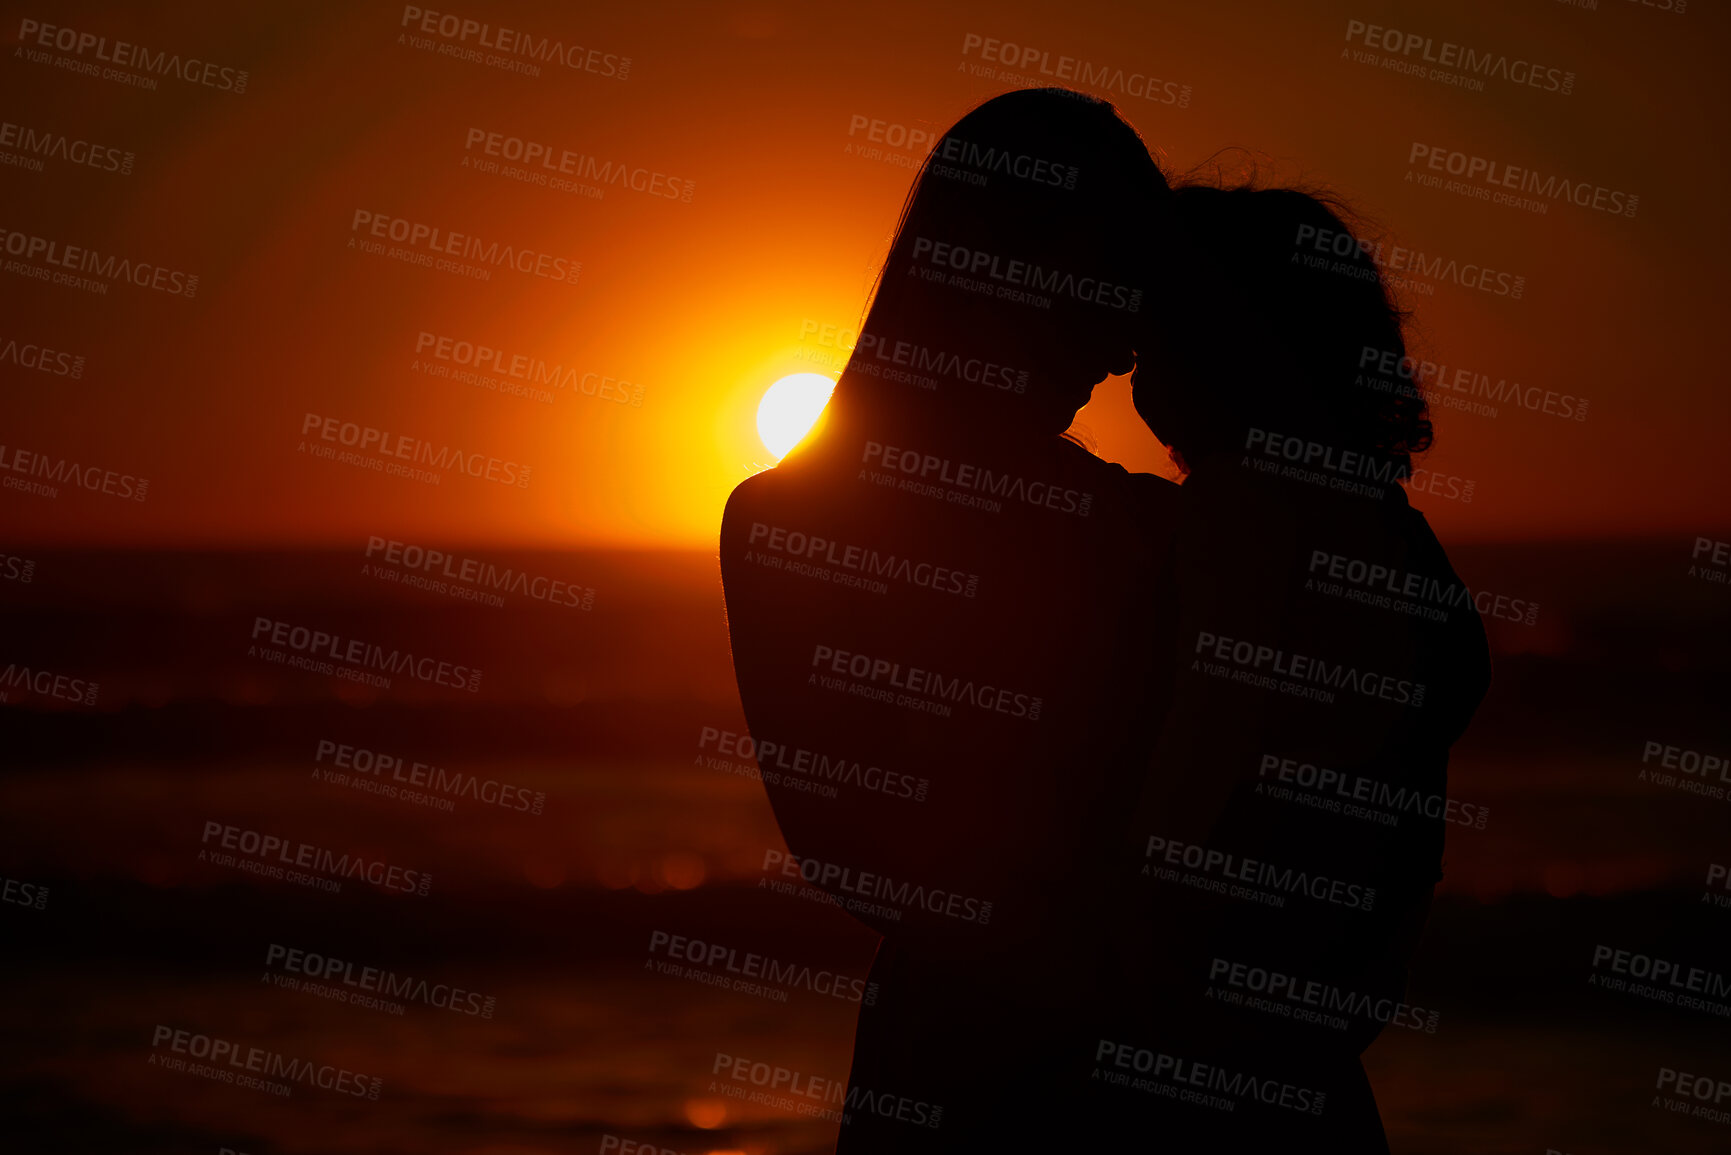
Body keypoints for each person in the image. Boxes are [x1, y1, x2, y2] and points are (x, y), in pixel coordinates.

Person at [719, 88, 1179, 1150]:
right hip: (998, 1060)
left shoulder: (1149, 525)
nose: (1119, 346)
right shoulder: (1137, 531)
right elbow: (855, 845)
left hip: (995, 1042)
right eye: (1103, 285)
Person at [1080, 181, 1493, 1151]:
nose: (1130, 380)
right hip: (1321, 1025)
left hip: (1206, 1014)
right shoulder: (1393, 526)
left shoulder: (1242, 503)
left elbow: (1210, 733)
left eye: (1150, 344)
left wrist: (1129, 930)